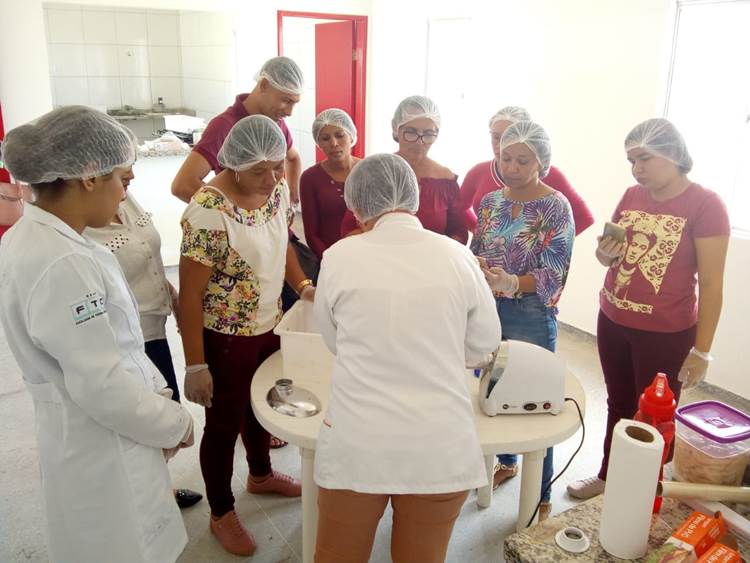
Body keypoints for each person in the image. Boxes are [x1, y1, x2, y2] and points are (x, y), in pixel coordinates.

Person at [0, 106, 194, 563]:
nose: (128, 191)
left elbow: (109, 352)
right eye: (123, 180)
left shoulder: (37, 237)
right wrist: (175, 423)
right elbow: (102, 386)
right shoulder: (63, 262)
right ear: (89, 177)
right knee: (125, 545)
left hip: (87, 435)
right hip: (103, 445)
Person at [313, 153, 502, 563]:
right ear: (414, 198)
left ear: (357, 207)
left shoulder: (340, 257)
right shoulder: (457, 257)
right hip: (439, 445)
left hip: (358, 441)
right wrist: (437, 349)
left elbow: (333, 340)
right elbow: (484, 344)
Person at [567, 118, 730, 500]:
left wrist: (702, 350)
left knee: (654, 417)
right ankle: (609, 475)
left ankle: (643, 493)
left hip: (666, 333)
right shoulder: (631, 195)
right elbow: (610, 258)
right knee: (619, 402)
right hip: (613, 318)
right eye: (631, 161)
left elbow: (711, 284)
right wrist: (604, 254)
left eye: (644, 159)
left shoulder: (706, 205)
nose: (636, 169)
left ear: (673, 154)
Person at [179, 114, 309, 556]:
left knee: (264, 404)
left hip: (271, 322)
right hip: (227, 336)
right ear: (233, 164)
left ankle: (261, 473)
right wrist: (195, 364)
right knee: (222, 422)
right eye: (260, 170)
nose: (272, 178)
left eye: (277, 166)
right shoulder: (208, 211)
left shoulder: (276, 188)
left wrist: (303, 286)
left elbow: (282, 241)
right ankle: (221, 511)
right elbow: (190, 295)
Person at [472, 120, 575, 521]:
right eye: (506, 158)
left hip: (531, 313)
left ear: (541, 162)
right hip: (489, 308)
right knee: (492, 386)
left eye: (522, 160)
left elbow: (555, 271)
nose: (511, 168)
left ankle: (541, 494)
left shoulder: (555, 207)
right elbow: (479, 246)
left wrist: (513, 282)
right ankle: (506, 461)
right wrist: (478, 266)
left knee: (536, 400)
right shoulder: (491, 202)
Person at [86, 183, 203, 509]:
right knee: (143, 420)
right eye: (123, 171)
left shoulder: (125, 198)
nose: (132, 175)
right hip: (124, 337)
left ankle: (159, 487)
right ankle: (146, 495)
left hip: (153, 326)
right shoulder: (82, 223)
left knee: (165, 408)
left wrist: (174, 300)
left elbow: (146, 256)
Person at [171, 56, 304, 204]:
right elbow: (183, 185)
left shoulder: (274, 124)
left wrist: (292, 199)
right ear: (264, 85)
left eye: (294, 103)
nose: (290, 112)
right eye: (286, 100)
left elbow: (293, 158)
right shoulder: (224, 126)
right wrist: (233, 211)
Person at [339, 95, 468, 243]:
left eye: (428, 134)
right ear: (396, 129)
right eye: (411, 132)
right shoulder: (374, 172)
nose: (419, 142)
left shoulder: (445, 180)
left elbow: (459, 234)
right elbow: (349, 232)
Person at [460, 106, 594, 234]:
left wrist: (550, 240)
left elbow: (583, 217)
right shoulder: (478, 173)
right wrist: (479, 231)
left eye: (509, 137)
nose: (501, 144)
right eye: (496, 137)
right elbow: (457, 208)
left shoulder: (549, 175)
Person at [300, 108, 360, 259]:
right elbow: (311, 234)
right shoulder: (309, 178)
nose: (334, 143)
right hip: (328, 256)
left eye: (340, 135)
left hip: (366, 253)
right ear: (318, 143)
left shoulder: (369, 170)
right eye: (325, 138)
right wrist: (330, 260)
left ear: (351, 136)